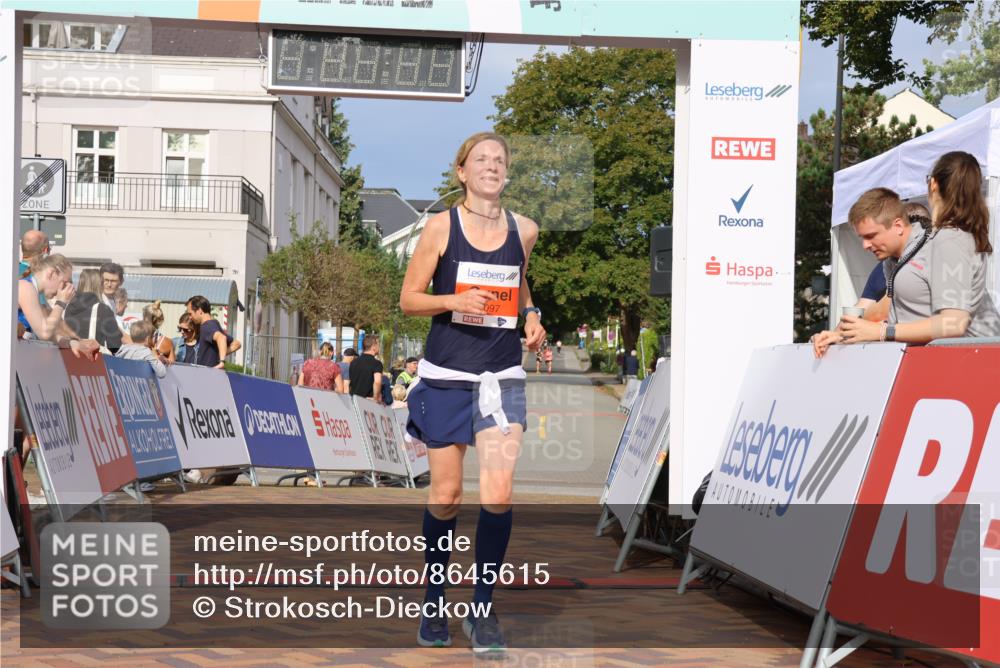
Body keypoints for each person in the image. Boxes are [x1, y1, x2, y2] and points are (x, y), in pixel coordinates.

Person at [399, 132, 545, 654]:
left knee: (499, 493)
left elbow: (520, 284)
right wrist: (456, 299)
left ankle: (481, 610)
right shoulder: (441, 227)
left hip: (501, 375)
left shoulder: (524, 230)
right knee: (446, 497)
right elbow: (409, 300)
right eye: (480, 159)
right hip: (446, 375)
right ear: (462, 171)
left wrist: (530, 315)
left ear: (506, 172)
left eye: (499, 160)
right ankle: (433, 601)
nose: (491, 166)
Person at [817, 155, 1000, 355]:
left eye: (871, 236)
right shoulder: (903, 254)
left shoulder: (949, 241)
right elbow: (885, 307)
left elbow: (953, 324)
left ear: (932, 185)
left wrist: (881, 331)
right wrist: (841, 335)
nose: (865, 245)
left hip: (967, 368)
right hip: (936, 367)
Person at [63, 268, 123, 353]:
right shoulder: (103, 309)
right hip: (92, 361)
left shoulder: (69, 307)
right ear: (99, 285)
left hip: (69, 360)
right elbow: (115, 346)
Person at [186, 295, 237, 369]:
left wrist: (222, 361)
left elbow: (221, 338)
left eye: (190, 314)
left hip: (208, 375)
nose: (190, 318)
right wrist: (218, 354)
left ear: (200, 311)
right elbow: (236, 344)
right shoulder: (214, 324)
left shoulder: (207, 326)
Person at [349, 335, 384, 403]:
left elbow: (350, 382)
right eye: (378, 345)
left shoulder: (353, 362)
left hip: (354, 400)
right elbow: (377, 382)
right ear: (373, 347)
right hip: (367, 402)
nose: (379, 348)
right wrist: (375, 398)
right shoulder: (377, 363)